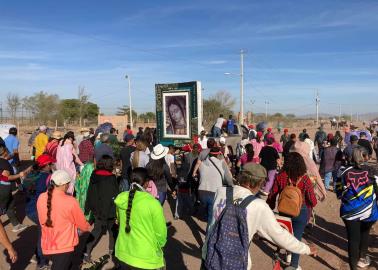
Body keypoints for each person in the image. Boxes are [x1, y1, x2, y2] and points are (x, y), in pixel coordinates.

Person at [204, 165, 317, 270]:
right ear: (256, 183)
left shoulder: (220, 192)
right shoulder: (258, 205)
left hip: (209, 256)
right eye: (262, 183)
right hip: (236, 263)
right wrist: (306, 249)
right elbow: (279, 236)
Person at [267, 152, 318, 269]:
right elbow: (313, 201)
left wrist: (269, 206)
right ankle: (294, 265)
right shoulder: (305, 178)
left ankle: (287, 254)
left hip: (284, 210)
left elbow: (272, 194)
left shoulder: (281, 176)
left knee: (285, 234)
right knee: (297, 238)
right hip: (300, 211)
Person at [37, 170, 91, 270]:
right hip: (63, 247)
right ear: (64, 185)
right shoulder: (70, 201)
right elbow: (82, 225)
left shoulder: (41, 197)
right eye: (68, 184)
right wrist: (87, 227)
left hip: (46, 245)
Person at [114, 167, 167, 269]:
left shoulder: (121, 198)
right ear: (147, 183)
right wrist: (159, 246)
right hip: (145, 258)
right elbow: (161, 234)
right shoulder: (153, 203)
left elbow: (120, 221)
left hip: (124, 252)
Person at [336, 147, 378, 270]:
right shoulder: (372, 171)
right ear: (365, 157)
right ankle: (362, 258)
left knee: (353, 240)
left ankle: (353, 267)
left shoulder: (343, 171)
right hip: (369, 211)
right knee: (365, 233)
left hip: (349, 211)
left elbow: (338, 192)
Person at [84, 155, 119, 263]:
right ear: (110, 165)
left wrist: (88, 207)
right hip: (109, 209)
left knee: (96, 230)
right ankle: (112, 250)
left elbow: (90, 192)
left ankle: (86, 251)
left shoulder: (94, 175)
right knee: (113, 230)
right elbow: (114, 194)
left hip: (97, 209)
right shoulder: (111, 178)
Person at [23, 154, 55, 269]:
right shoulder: (48, 177)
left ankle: (38, 256)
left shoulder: (31, 175)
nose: (52, 165)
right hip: (40, 211)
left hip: (29, 209)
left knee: (42, 234)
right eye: (51, 164)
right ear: (47, 165)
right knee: (44, 236)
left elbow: (23, 188)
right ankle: (42, 262)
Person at [198, 147, 233, 225]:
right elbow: (228, 179)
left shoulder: (202, 163)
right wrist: (232, 186)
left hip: (201, 192)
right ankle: (208, 236)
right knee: (211, 218)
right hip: (213, 192)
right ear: (219, 154)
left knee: (207, 212)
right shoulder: (221, 163)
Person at [0, 146, 30, 233]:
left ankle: (16, 225)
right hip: (3, 188)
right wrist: (20, 175)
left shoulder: (3, 161)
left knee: (10, 204)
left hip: (3, 188)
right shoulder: (4, 163)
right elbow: (7, 177)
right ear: (5, 152)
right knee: (3, 207)